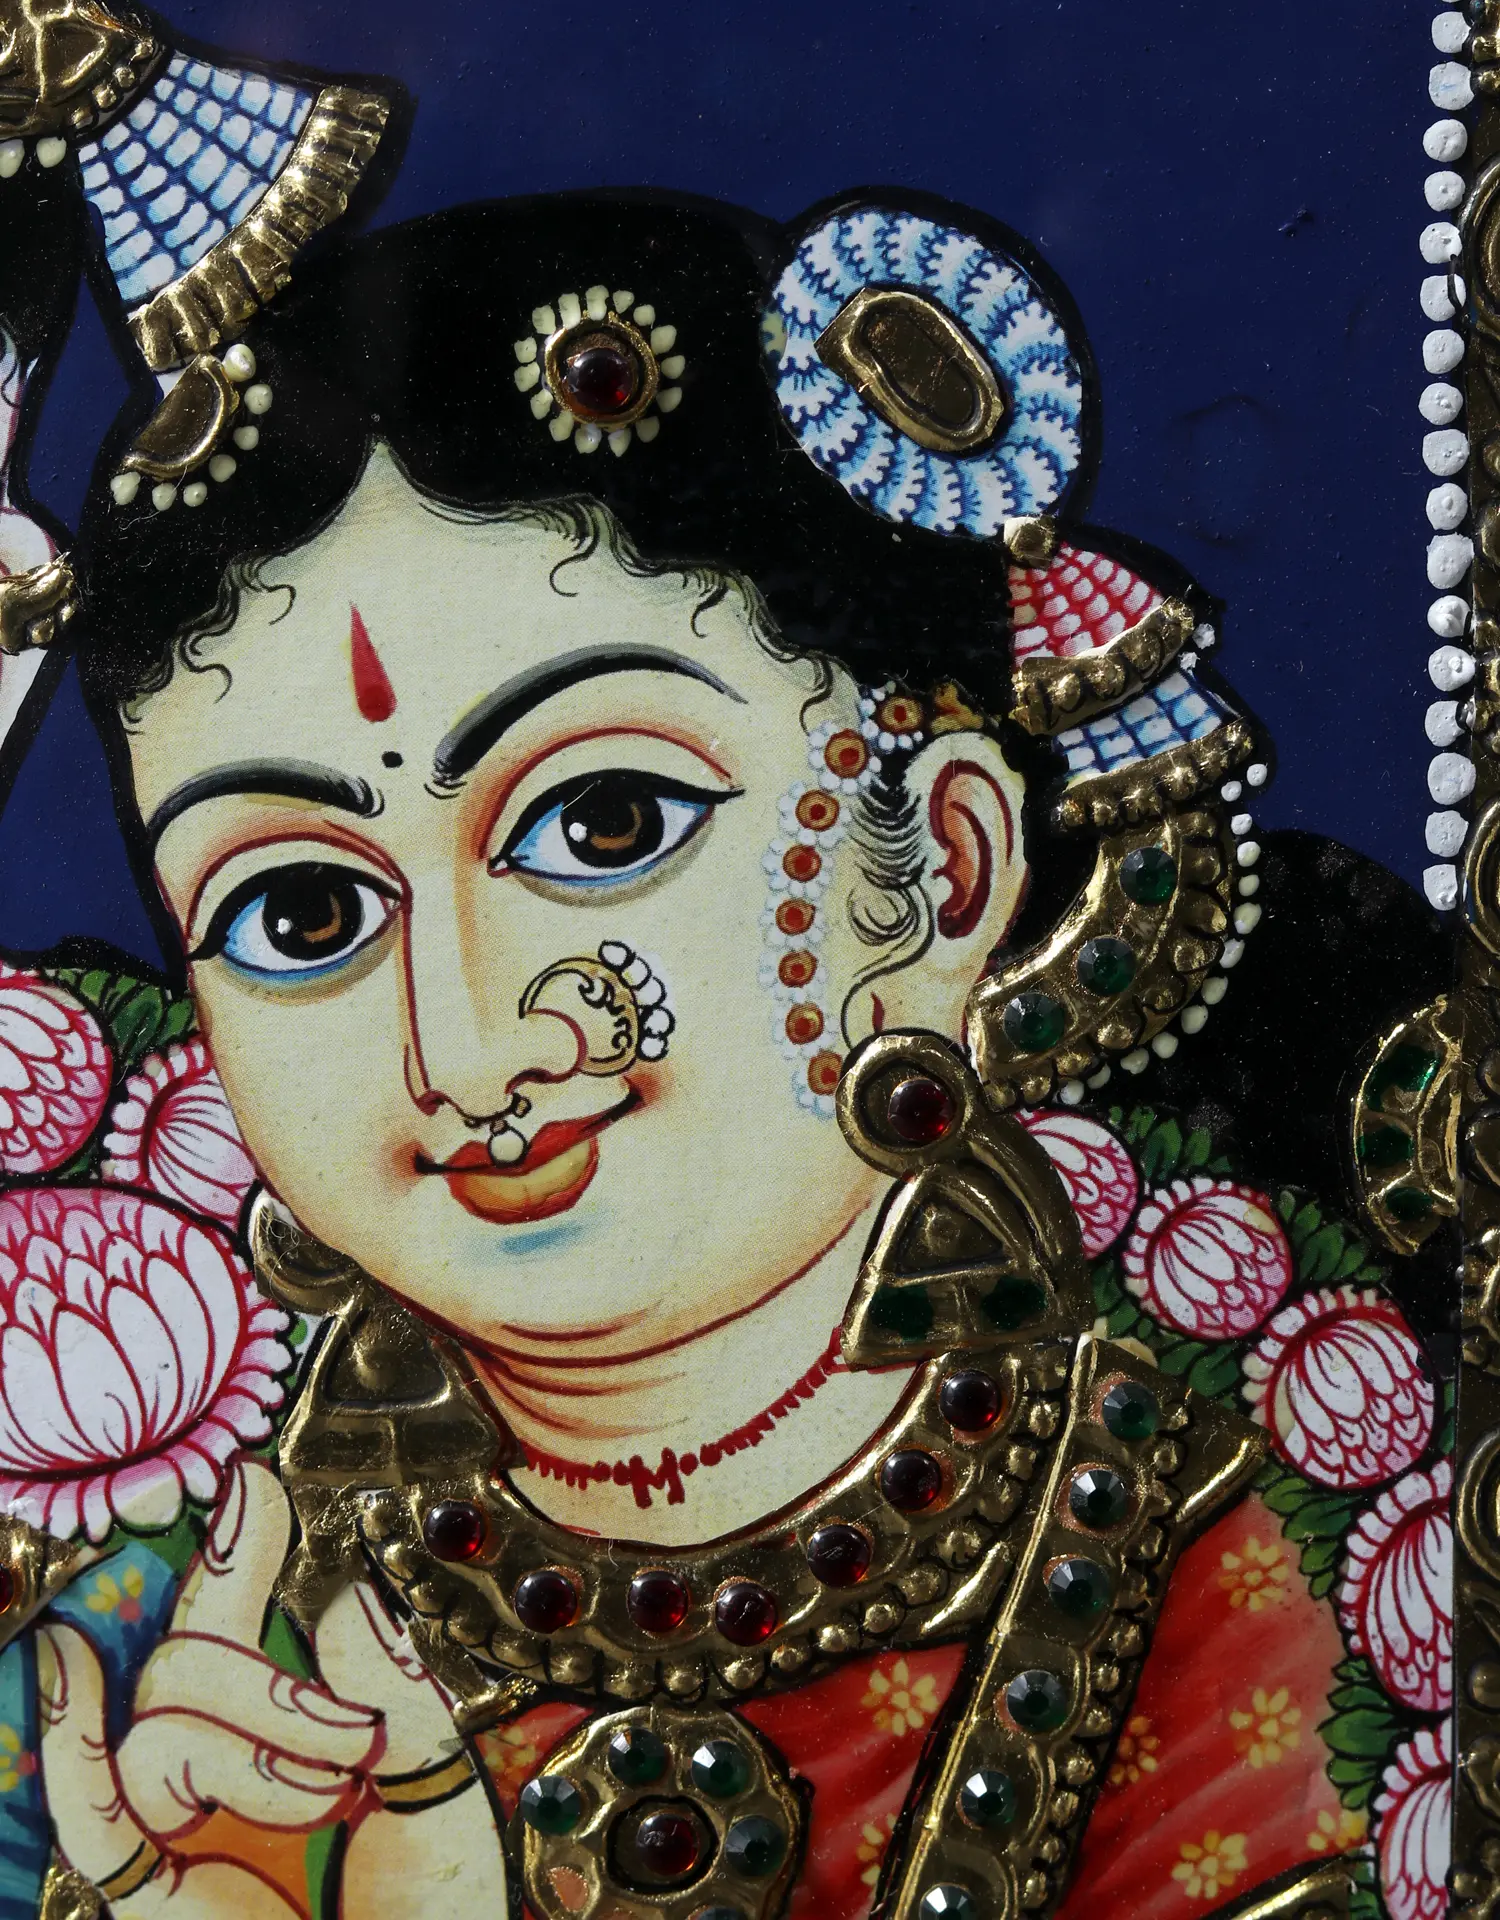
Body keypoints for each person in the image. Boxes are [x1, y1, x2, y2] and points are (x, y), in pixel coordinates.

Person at [0, 191, 1451, 1919]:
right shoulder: (151, 1651)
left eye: (603, 823)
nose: (466, 1045)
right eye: (301, 914)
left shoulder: (1239, 1603)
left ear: (945, 872)